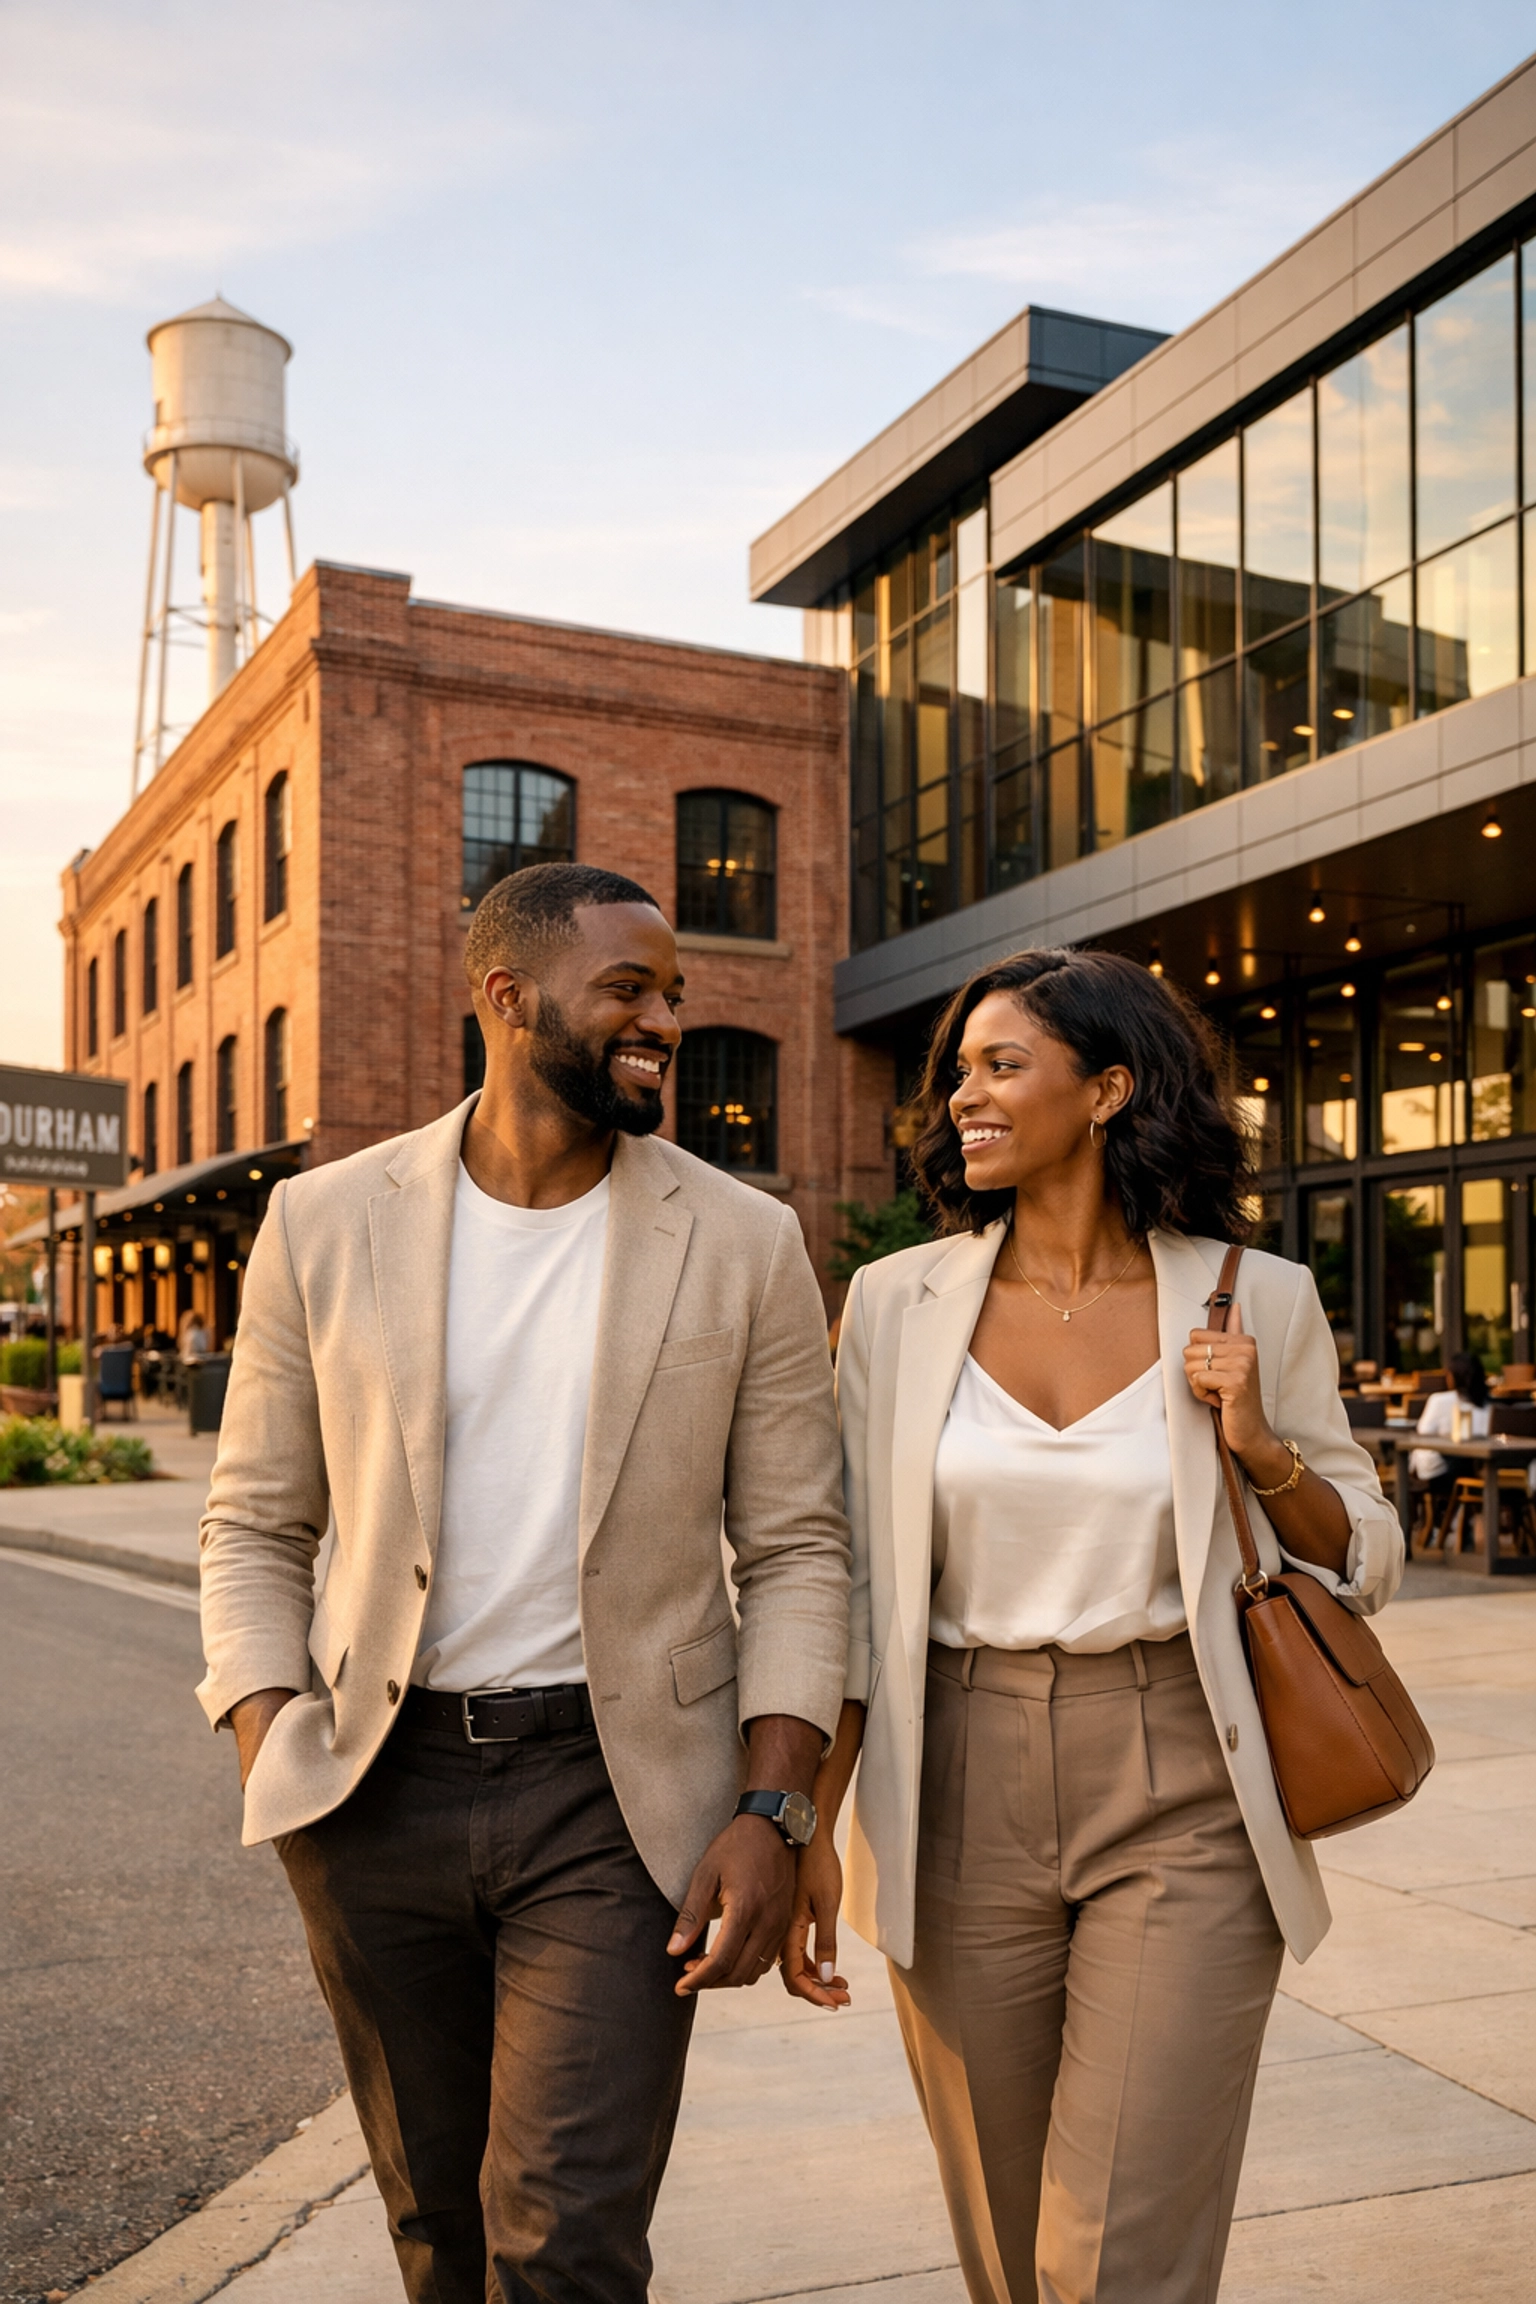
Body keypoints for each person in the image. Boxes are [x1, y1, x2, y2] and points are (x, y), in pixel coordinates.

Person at [198, 862, 850, 2304]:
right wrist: (265, 1730)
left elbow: (802, 1546)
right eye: (630, 989)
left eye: (674, 995)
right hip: (376, 1789)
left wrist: (776, 1805)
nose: (664, 1022)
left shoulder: (744, 1241)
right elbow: (252, 1520)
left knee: (565, 2235)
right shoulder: (325, 1221)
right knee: (436, 2224)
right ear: (506, 997)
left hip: (615, 1804)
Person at [779, 947, 1402, 2304]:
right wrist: (809, 1824)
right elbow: (846, 1579)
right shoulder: (895, 1305)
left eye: (1003, 1066)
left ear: (1110, 1087)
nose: (963, 1098)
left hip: (1183, 1772)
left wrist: (1262, 1449)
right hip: (953, 1776)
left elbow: (1369, 1551)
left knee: (1114, 2251)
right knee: (1009, 2244)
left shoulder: (1257, 1294)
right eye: (959, 1073)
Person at [1409, 1351, 1491, 1532]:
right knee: (1466, 1463)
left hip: (1439, 1471)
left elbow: (1423, 1432)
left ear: (1453, 1376)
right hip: (1467, 1469)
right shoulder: (1486, 1404)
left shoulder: (1440, 1401)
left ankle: (1451, 1521)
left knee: (1461, 1461)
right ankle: (1459, 1521)